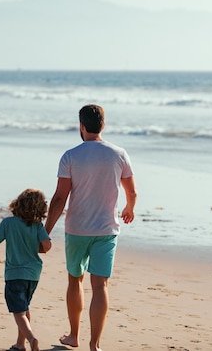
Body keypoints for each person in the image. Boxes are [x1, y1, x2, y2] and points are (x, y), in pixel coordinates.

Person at [45, 104, 137, 351]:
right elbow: (132, 191)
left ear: (82, 126)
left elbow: (59, 198)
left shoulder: (70, 156)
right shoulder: (119, 154)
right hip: (106, 231)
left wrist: (45, 231)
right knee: (100, 286)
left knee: (75, 280)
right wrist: (129, 208)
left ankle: (73, 336)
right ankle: (94, 345)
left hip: (77, 229)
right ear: (103, 126)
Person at [0, 188, 52, 351]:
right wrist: (33, 247)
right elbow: (47, 245)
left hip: (15, 274)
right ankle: (20, 344)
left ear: (18, 203)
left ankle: (31, 338)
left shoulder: (9, 223)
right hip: (33, 274)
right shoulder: (37, 225)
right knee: (24, 307)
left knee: (18, 311)